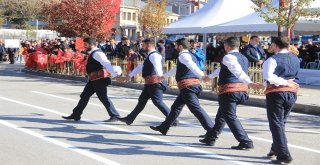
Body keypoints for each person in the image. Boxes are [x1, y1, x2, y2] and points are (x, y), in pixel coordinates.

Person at [200, 37, 257, 150]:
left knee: (230, 116)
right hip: (241, 90)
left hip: (230, 90)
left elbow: (237, 71)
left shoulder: (228, 57)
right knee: (222, 115)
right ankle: (211, 137)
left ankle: (245, 141)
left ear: (227, 46)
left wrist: (250, 83)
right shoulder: (244, 58)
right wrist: (210, 77)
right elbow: (222, 69)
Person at [149, 38, 214, 136]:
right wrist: (163, 76)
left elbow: (193, 66)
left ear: (180, 46)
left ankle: (212, 131)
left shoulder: (184, 56)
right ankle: (164, 127)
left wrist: (202, 76)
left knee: (195, 109)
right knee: (175, 107)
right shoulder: (190, 55)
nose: (175, 47)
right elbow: (176, 69)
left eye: (176, 45)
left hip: (188, 86)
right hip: (189, 86)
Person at [62, 37, 122, 122]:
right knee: (84, 96)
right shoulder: (93, 53)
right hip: (93, 79)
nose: (84, 46)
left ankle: (115, 115)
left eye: (85, 45)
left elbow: (107, 64)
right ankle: (76, 114)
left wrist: (115, 75)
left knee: (103, 97)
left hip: (99, 80)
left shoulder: (98, 54)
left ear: (91, 44)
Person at [116, 39, 174, 126]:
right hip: (149, 83)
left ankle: (173, 119)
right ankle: (130, 118)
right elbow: (140, 66)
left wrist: (160, 78)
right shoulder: (150, 55)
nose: (142, 47)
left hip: (154, 82)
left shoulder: (154, 55)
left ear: (149, 45)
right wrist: (129, 76)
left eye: (143, 45)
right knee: (142, 101)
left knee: (158, 102)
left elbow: (158, 67)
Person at [263, 37, 300, 164]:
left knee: (276, 123)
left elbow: (269, 77)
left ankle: (283, 154)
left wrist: (284, 82)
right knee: (281, 122)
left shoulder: (272, 59)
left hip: (277, 92)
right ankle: (276, 148)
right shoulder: (295, 58)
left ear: (275, 45)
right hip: (291, 93)